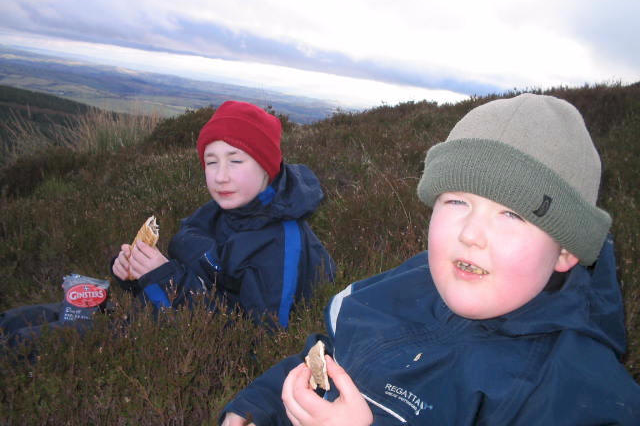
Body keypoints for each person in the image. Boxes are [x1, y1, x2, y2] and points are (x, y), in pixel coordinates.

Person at [220, 93, 640, 425]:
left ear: (565, 250)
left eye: (512, 214)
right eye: (456, 200)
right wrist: (261, 407)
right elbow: (326, 358)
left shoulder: (573, 396)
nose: (470, 233)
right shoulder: (391, 291)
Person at [111, 100, 335, 328]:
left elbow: (259, 340)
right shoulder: (218, 211)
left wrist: (167, 279)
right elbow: (201, 279)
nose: (220, 176)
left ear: (266, 166)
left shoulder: (281, 245)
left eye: (235, 160)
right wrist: (139, 275)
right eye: (211, 162)